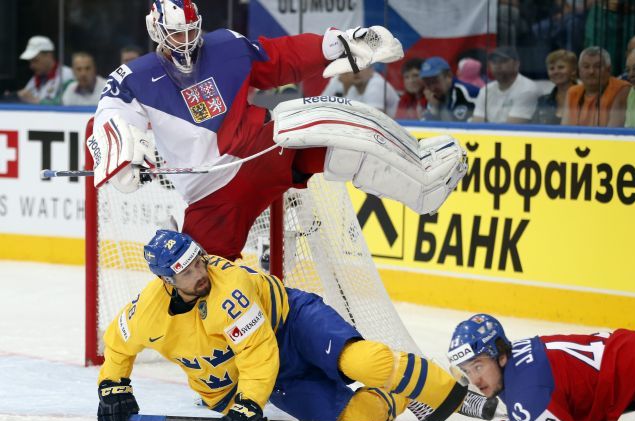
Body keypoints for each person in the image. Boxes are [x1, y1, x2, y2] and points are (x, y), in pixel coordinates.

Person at [89, 0, 466, 263]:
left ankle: (422, 183)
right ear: (157, 31)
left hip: (259, 151)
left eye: (191, 31)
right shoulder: (134, 77)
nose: (186, 41)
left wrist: (335, 45)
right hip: (209, 191)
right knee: (198, 270)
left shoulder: (226, 46)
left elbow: (280, 57)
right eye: (176, 34)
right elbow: (110, 114)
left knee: (326, 127)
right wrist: (123, 156)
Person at [96, 229, 469, 421]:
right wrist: (113, 386)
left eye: (199, 261)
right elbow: (118, 342)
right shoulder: (147, 309)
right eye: (187, 272)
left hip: (290, 325)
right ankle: (402, 395)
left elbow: (258, 353)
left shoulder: (230, 290)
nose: (200, 272)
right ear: (166, 281)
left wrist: (248, 405)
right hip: (267, 373)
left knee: (363, 362)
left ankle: (452, 394)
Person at [447, 313, 635, 421]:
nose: (474, 380)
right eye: (466, 370)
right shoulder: (514, 359)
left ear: (500, 356)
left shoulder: (524, 391)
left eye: (478, 366)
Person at [562, 46, 630, 127]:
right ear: (579, 70)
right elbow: (565, 130)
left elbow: (613, 133)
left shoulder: (621, 88)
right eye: (586, 66)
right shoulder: (573, 92)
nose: (591, 71)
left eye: (597, 66)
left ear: (609, 69)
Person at [470, 46, 540, 124]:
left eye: (503, 61)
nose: (497, 66)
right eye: (494, 62)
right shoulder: (485, 90)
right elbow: (477, 125)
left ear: (516, 64)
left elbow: (511, 129)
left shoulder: (527, 89)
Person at [320, 66, 400, 117]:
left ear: (371, 70)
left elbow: (374, 118)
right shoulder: (353, 87)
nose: (356, 71)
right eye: (352, 67)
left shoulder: (376, 83)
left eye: (361, 67)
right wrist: (345, 88)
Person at [16, 36, 74, 105]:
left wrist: (34, 101)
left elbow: (65, 104)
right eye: (30, 62)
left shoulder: (67, 75)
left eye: (35, 60)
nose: (31, 66)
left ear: (49, 56)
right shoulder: (34, 80)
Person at [419, 56, 478, 122]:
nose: (432, 87)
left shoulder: (468, 93)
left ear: (449, 76)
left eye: (435, 81)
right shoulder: (432, 95)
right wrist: (434, 108)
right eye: (427, 83)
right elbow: (424, 127)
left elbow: (460, 128)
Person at [531, 49, 577, 125]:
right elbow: (533, 130)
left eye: (561, 67)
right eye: (552, 68)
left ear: (573, 71)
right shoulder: (543, 101)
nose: (556, 72)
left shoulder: (585, 98)